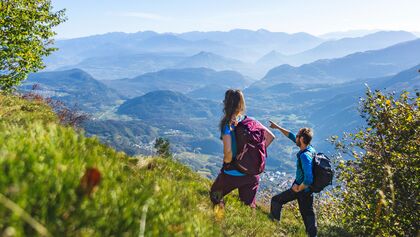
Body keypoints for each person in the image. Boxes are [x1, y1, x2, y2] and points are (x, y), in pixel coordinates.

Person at [210, 89, 275, 208]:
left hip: (233, 172)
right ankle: (245, 226)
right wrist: (251, 154)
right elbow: (270, 137)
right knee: (247, 207)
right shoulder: (251, 121)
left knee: (215, 195)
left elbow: (228, 154)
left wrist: (230, 163)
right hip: (252, 173)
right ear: (241, 104)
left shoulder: (227, 125)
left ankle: (219, 222)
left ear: (226, 104)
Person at [269, 121, 317, 237]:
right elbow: (291, 135)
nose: (295, 137)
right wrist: (278, 127)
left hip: (301, 189)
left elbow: (308, 179)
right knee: (308, 215)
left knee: (276, 200)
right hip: (308, 191)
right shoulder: (310, 149)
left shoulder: (304, 156)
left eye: (297, 136)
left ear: (301, 139)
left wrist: (298, 188)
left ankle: (273, 228)